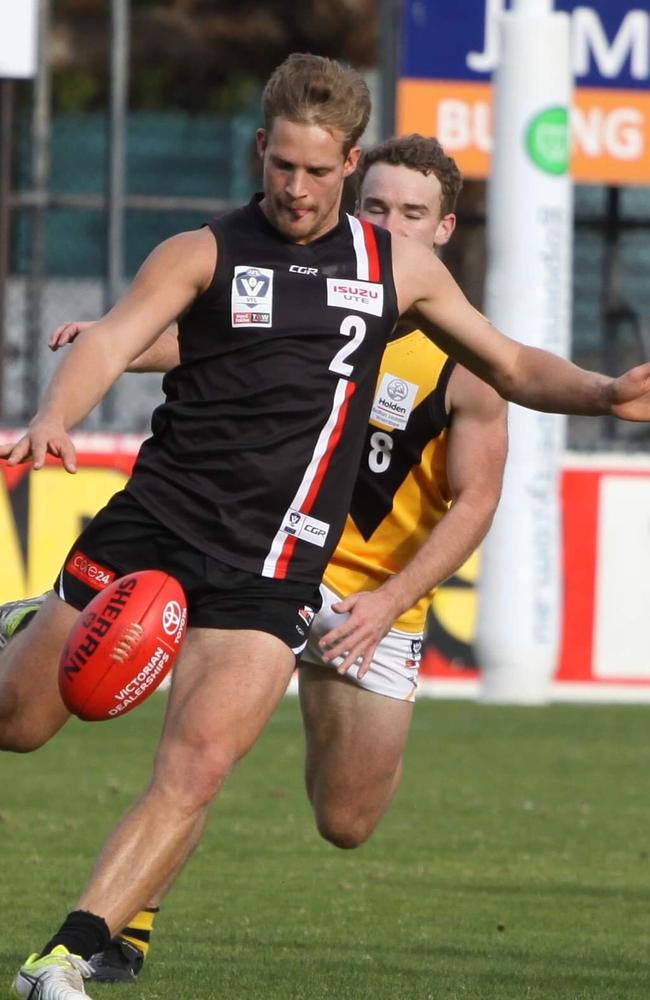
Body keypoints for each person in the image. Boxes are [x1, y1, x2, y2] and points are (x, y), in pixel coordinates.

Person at [2, 53, 650, 1000]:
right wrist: (55, 416)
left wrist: (601, 391)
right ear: (261, 150)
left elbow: (509, 363)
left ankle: (65, 957)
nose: (296, 189)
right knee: (20, 725)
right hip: (157, 522)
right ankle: (24, 631)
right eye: (281, 167)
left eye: (317, 171)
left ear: (348, 164)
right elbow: (110, 337)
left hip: (274, 560)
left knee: (200, 765)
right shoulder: (202, 251)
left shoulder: (399, 270)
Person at [19, 133, 505, 983]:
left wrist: (391, 602)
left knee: (347, 820)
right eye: (378, 206)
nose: (390, 223)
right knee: (198, 753)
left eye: (412, 214)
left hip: (367, 599)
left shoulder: (463, 357)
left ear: (445, 229)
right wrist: (115, 338)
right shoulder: (316, 281)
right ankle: (115, 932)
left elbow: (477, 501)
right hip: (259, 559)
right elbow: (206, 336)